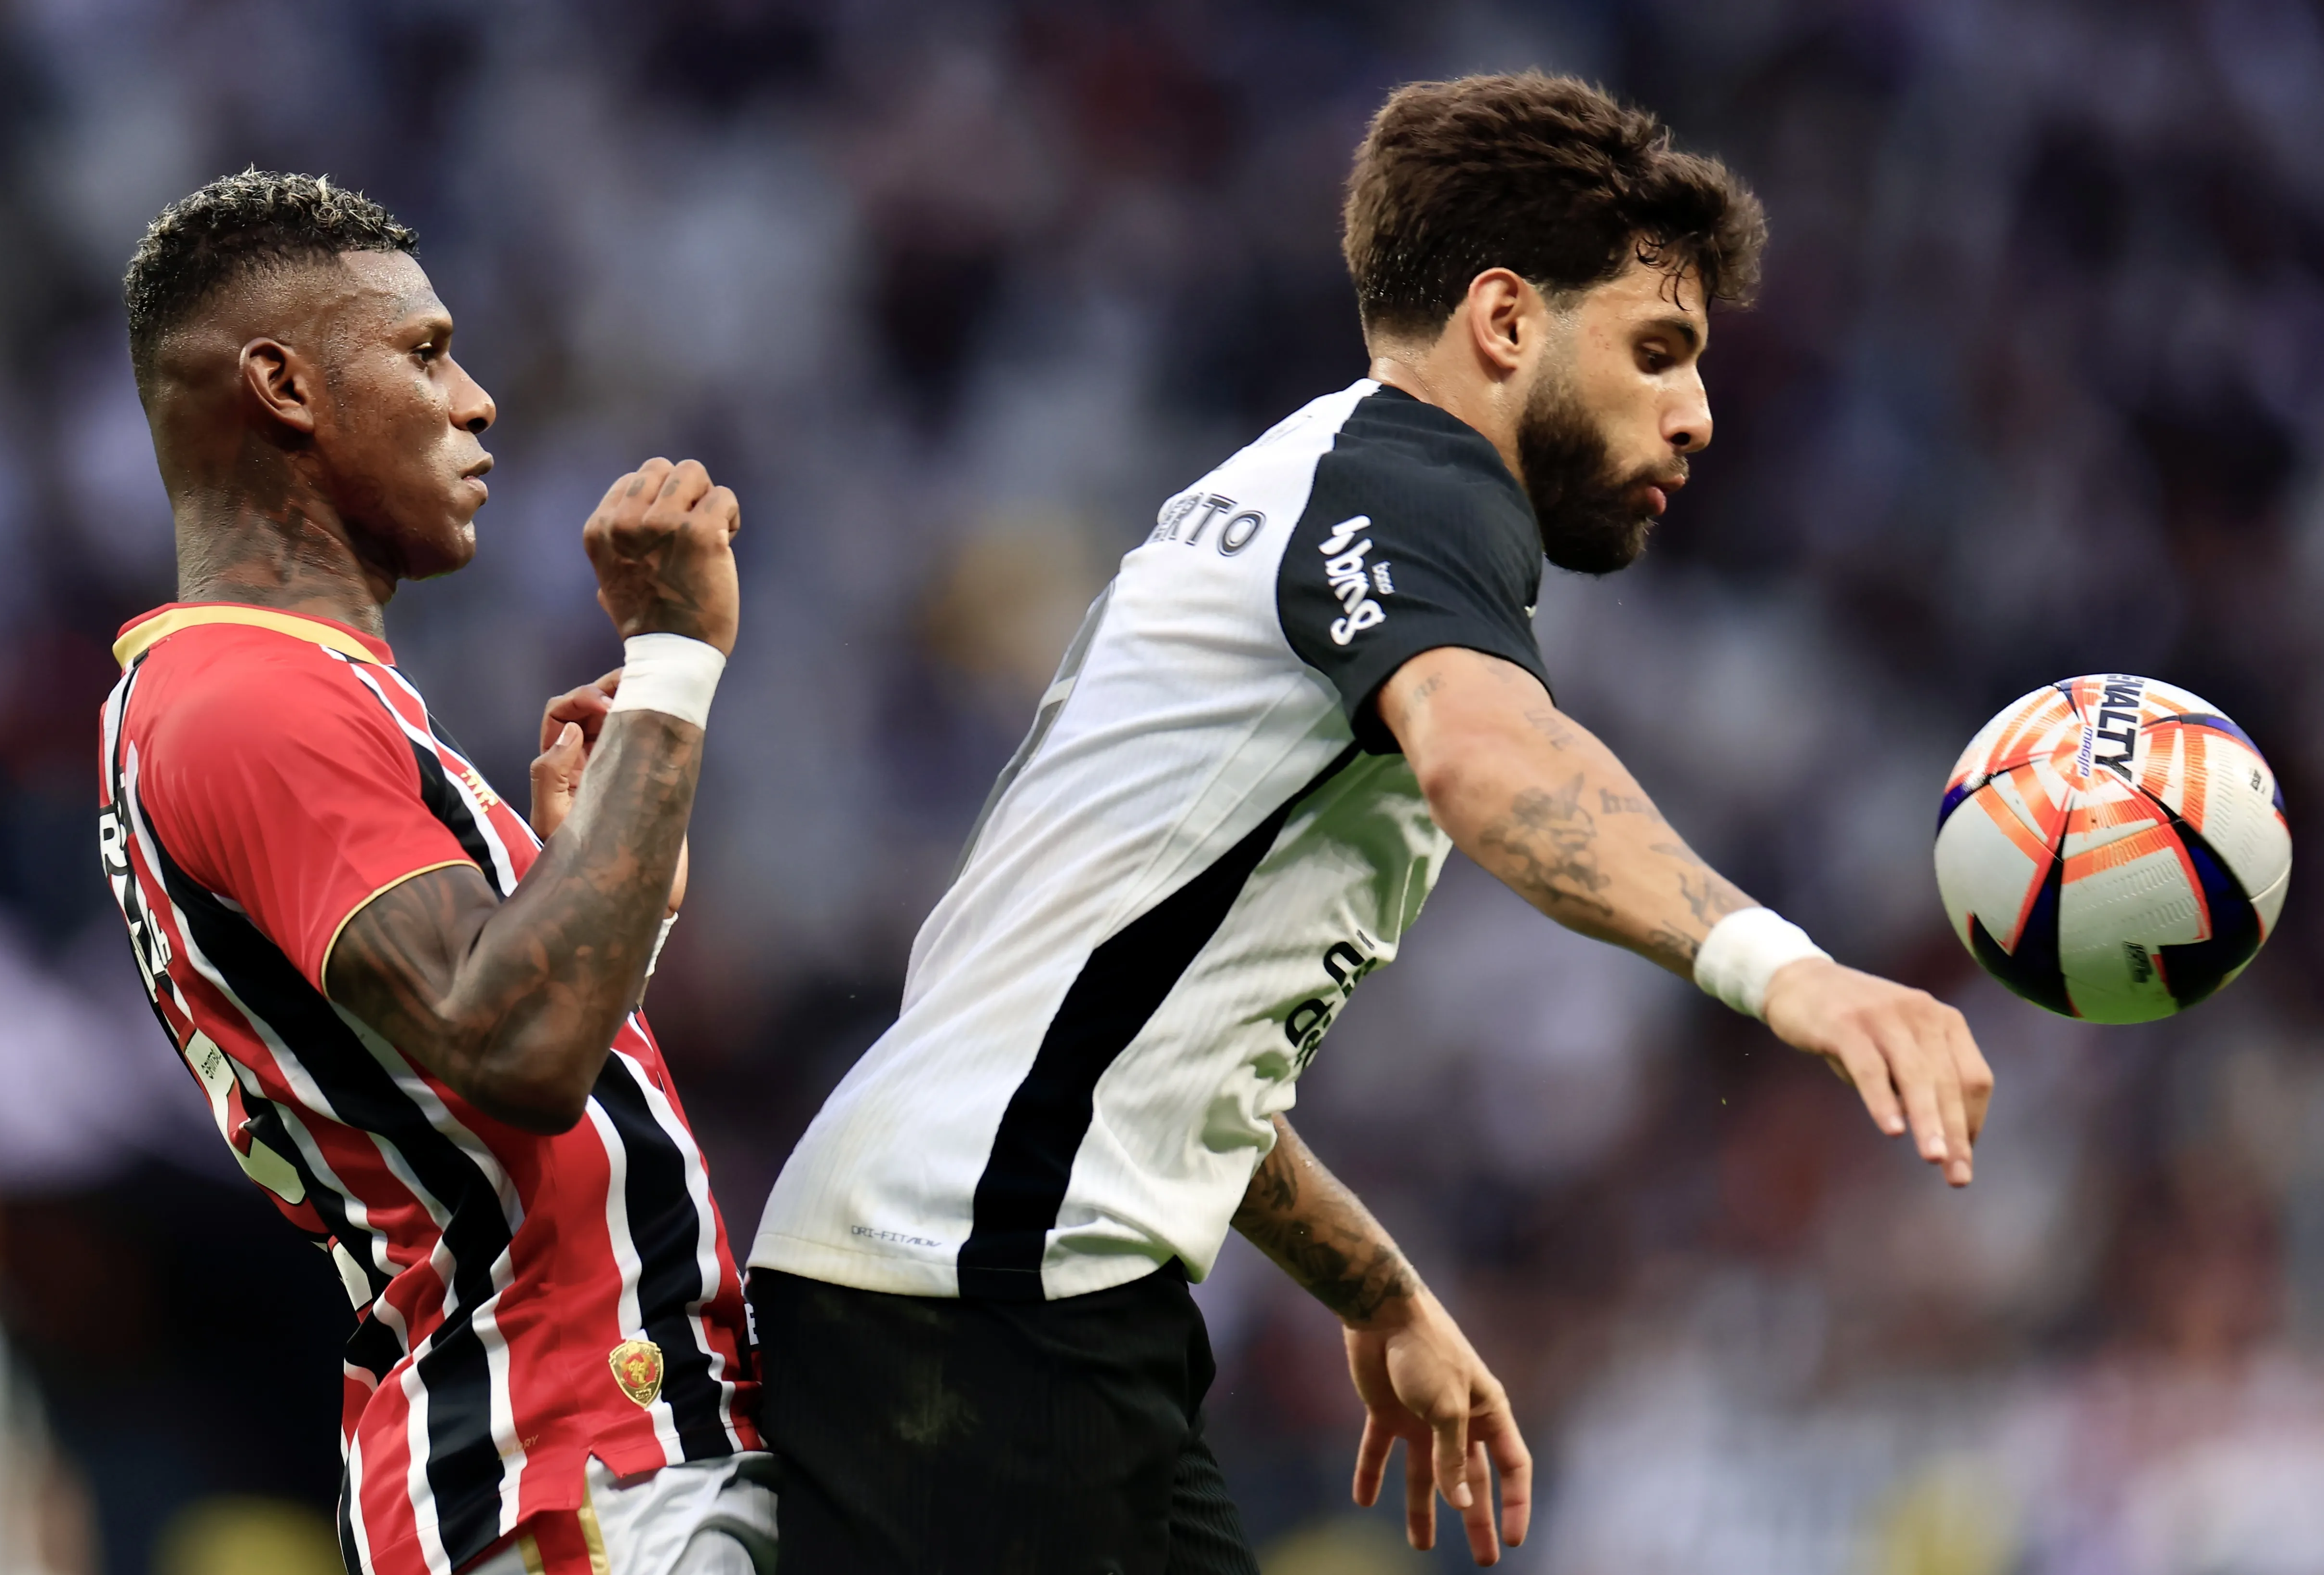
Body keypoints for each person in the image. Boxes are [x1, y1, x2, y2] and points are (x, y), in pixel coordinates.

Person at [749, 70, 1995, 1574]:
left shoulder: (1298, 490)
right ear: (1505, 321)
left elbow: (1128, 1029)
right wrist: (1787, 968)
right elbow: (1493, 762)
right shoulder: (1411, 487)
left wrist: (1376, 1289)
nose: (1697, 411)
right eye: (1656, 350)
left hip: (990, 1278)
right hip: (976, 1289)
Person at [96, 172, 771, 1575]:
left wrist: (605, 881)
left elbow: (481, 1084)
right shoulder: (248, 700)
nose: (476, 400)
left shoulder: (281, 693)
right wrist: (672, 667)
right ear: (283, 386)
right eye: (422, 353)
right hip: (563, 1467)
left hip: (593, 1458)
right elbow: (517, 1048)